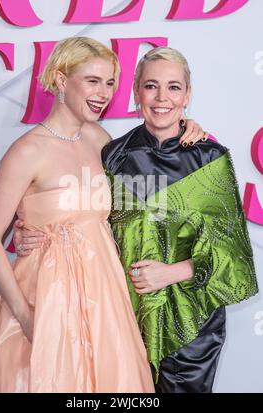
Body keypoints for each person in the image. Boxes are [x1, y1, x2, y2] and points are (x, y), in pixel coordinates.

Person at [0, 37, 157, 393]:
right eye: (92, 80)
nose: (103, 92)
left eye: (110, 82)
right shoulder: (27, 151)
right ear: (59, 79)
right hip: (44, 299)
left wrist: (189, 129)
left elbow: (145, 186)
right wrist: (26, 317)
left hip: (103, 298)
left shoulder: (100, 139)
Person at [101, 47, 258, 393]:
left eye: (173, 87)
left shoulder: (209, 158)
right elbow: (94, 225)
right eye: (151, 86)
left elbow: (233, 255)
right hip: (129, 318)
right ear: (135, 92)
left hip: (193, 324)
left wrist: (169, 273)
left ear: (187, 95)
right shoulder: (113, 155)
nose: (162, 98)